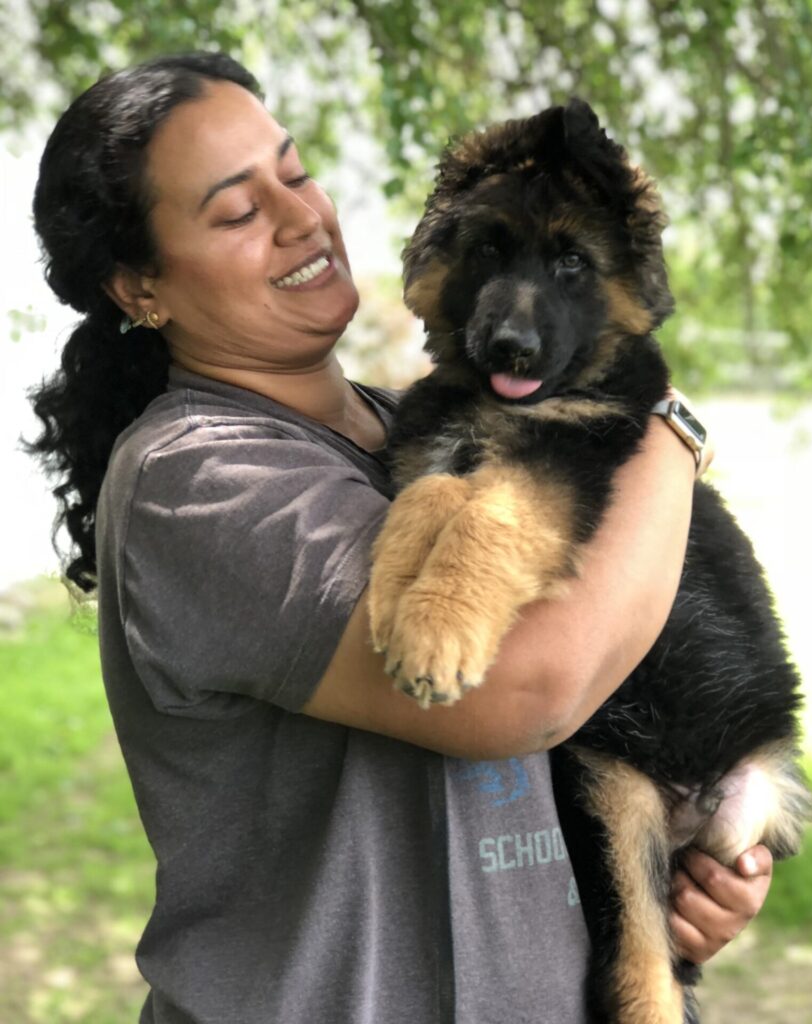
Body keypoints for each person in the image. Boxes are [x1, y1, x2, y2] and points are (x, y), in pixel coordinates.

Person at [28, 52, 774, 1024]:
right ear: (140, 289)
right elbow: (527, 689)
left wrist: (674, 859)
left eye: (292, 173)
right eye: (236, 210)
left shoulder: (409, 424)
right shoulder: (197, 476)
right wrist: (668, 427)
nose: (299, 216)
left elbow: (597, 699)